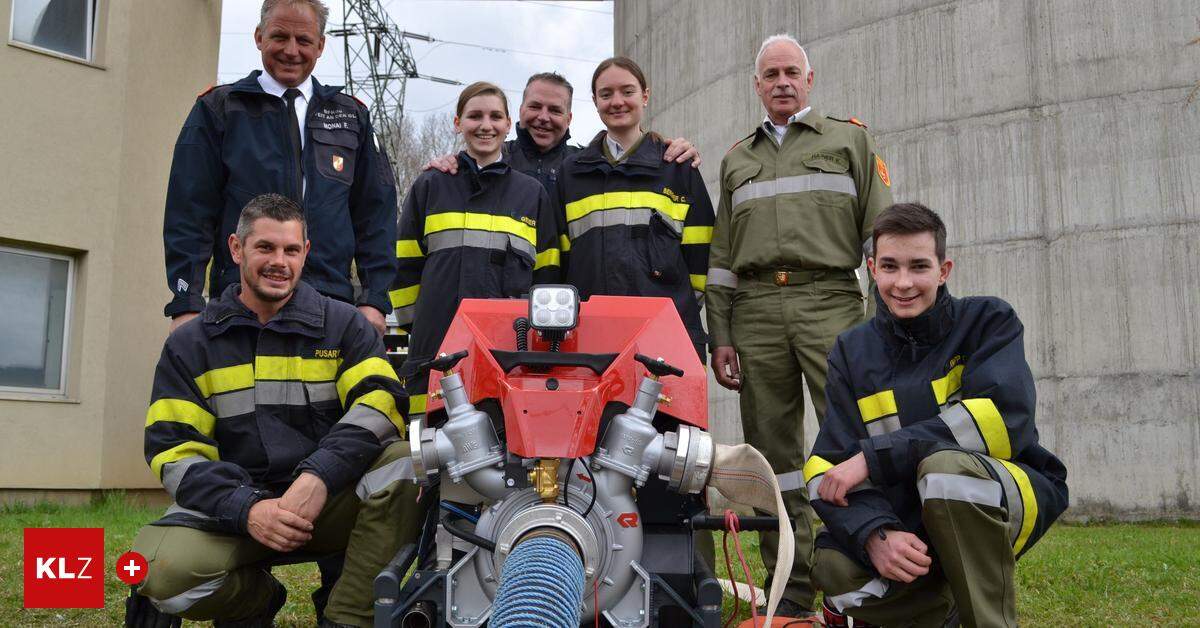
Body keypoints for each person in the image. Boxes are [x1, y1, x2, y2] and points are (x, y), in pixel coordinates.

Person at [127, 194, 420, 627]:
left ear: (307, 253)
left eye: (290, 250)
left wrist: (320, 475)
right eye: (265, 247)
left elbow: (381, 404)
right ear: (235, 248)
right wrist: (247, 509)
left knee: (406, 463)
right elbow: (175, 452)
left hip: (327, 504)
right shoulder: (191, 344)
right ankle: (255, 601)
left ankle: (348, 618)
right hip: (233, 516)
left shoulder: (344, 325)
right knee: (156, 570)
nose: (278, 261)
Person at [804, 203, 1069, 627]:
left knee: (946, 470)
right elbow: (826, 467)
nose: (903, 282)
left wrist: (873, 458)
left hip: (995, 499)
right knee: (833, 568)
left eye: (919, 267)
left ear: (944, 270)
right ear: (872, 268)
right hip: (906, 521)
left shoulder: (988, 321)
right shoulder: (851, 352)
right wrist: (875, 533)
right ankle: (944, 610)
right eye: (890, 266)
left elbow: (1001, 419)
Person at [704, 33, 894, 615]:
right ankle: (789, 586)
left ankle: (859, 572)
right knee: (774, 458)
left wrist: (877, 321)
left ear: (809, 80)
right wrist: (722, 335)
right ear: (757, 86)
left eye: (792, 72)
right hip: (757, 312)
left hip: (831, 302)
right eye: (771, 75)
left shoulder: (851, 140)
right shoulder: (737, 159)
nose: (782, 82)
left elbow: (880, 238)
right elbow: (722, 260)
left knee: (851, 438)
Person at [163, 0, 397, 337]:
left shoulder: (352, 117)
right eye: (279, 37)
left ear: (320, 45)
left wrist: (374, 299)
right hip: (241, 305)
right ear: (259, 37)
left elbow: (376, 216)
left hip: (331, 305)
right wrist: (186, 302)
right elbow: (189, 213)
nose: (291, 51)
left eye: (303, 41)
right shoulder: (219, 110)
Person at [390, 81, 562, 419]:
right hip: (433, 347)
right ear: (458, 123)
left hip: (509, 351)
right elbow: (404, 267)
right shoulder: (431, 185)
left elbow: (548, 276)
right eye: (475, 116)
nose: (486, 125)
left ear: (509, 125)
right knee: (429, 447)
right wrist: (422, 327)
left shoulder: (532, 194)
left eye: (496, 116)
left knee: (505, 447)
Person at [556, 56, 715, 360]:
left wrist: (675, 311)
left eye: (627, 92)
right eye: (606, 94)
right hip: (588, 337)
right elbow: (559, 263)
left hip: (667, 336)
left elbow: (702, 259)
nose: (617, 102)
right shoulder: (571, 174)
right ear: (595, 101)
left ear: (645, 96)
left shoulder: (678, 167)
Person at [423, 71, 702, 201]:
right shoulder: (493, 161)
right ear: (518, 112)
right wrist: (452, 162)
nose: (543, 117)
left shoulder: (584, 166)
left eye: (555, 110)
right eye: (535, 107)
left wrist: (662, 148)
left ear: (569, 118)